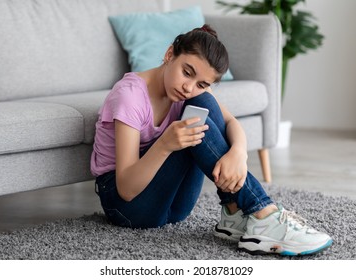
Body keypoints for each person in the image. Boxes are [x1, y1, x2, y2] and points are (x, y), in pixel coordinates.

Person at [90, 24, 332, 256]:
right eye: (187, 72)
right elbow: (126, 189)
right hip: (127, 208)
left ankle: (234, 212)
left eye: (202, 83)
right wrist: (165, 144)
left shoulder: (193, 92)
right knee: (196, 118)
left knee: (204, 104)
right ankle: (264, 213)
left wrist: (238, 153)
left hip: (174, 208)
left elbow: (232, 123)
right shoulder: (130, 97)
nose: (188, 87)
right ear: (169, 54)